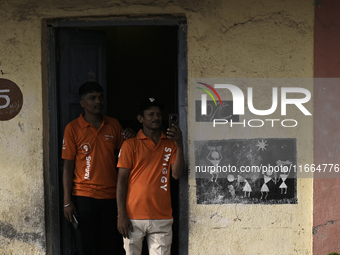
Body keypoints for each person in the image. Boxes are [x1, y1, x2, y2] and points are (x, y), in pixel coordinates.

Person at [62, 81, 135, 255]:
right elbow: (67, 166)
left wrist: (130, 137)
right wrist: (67, 201)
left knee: (109, 246)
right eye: (92, 98)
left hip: (110, 197)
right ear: (82, 103)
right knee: (85, 246)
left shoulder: (114, 125)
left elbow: (124, 156)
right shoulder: (73, 128)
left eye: (101, 98)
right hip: (83, 197)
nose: (98, 102)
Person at [117, 97, 185, 255]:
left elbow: (176, 174)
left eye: (159, 114)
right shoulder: (130, 145)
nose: (156, 118)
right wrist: (121, 215)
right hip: (133, 216)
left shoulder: (170, 144)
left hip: (161, 217)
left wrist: (179, 144)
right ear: (140, 118)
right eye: (151, 114)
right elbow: (121, 182)